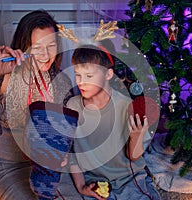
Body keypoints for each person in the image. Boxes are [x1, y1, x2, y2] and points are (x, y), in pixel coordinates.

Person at [0, 10, 76, 200]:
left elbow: (67, 132)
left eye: (51, 45)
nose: (45, 54)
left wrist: (62, 155)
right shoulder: (5, 75)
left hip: (45, 169)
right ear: (24, 46)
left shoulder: (60, 81)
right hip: (5, 167)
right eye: (37, 47)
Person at [66, 43, 161, 200]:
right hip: (93, 180)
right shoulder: (72, 106)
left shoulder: (126, 106)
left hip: (127, 178)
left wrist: (137, 136)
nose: (81, 82)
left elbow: (134, 157)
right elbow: (72, 153)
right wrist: (81, 187)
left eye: (89, 76)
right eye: (78, 75)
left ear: (108, 75)